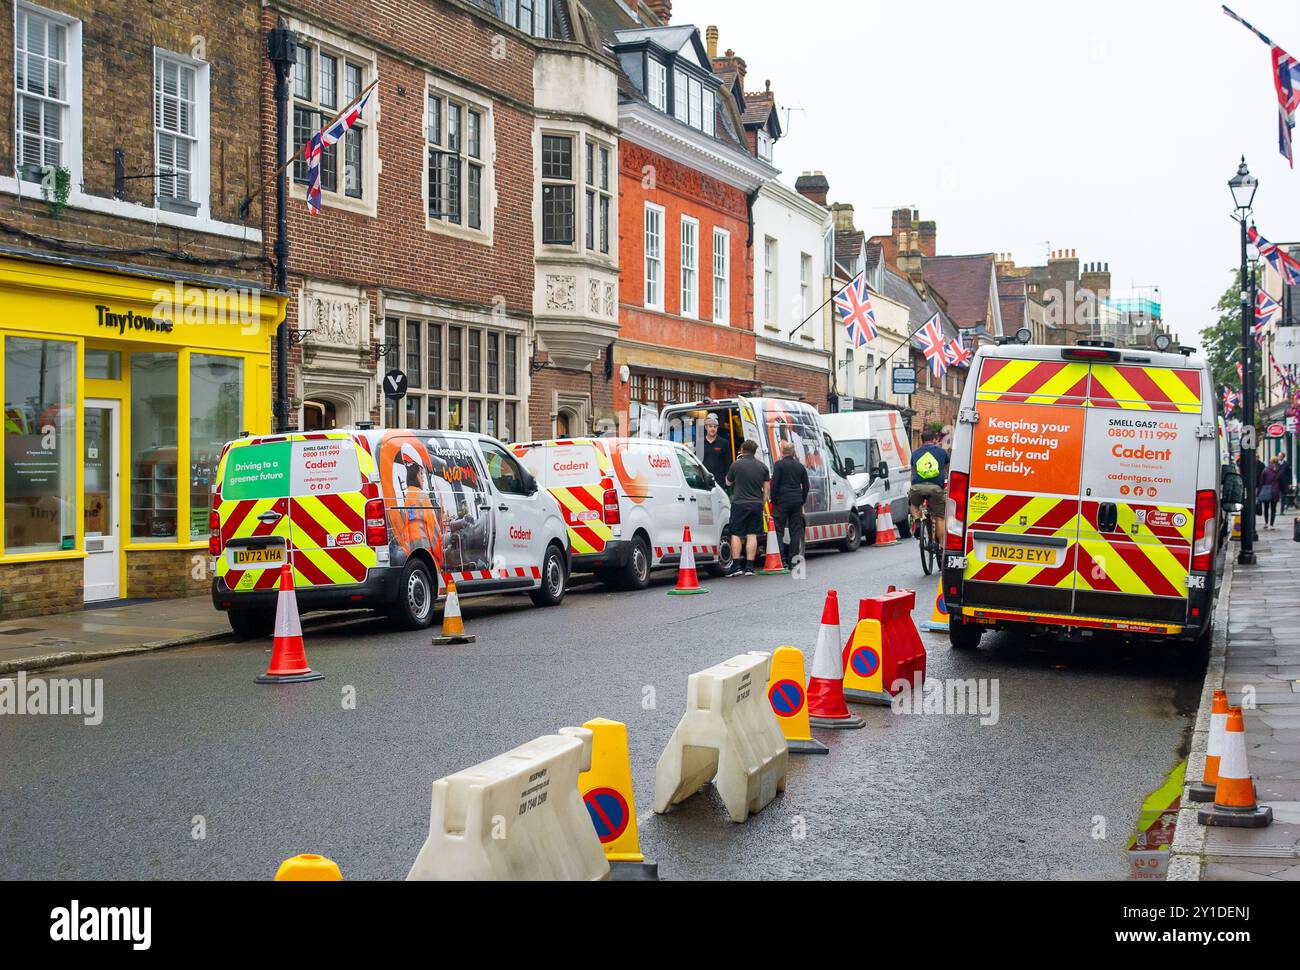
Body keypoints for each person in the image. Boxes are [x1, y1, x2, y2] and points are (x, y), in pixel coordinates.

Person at [725, 439, 770, 576]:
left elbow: (728, 482)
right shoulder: (762, 467)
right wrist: (762, 502)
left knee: (736, 534)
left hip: (739, 504)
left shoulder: (736, 465)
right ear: (755, 451)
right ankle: (750, 567)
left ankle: (737, 566)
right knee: (752, 534)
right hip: (756, 504)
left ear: (742, 450)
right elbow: (767, 488)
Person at [770, 441, 810, 567]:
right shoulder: (800, 467)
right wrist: (801, 499)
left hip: (781, 501)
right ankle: (792, 559)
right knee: (795, 531)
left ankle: (781, 559)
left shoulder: (779, 465)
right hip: (796, 502)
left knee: (778, 531)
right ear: (793, 453)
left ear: (782, 452)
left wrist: (774, 500)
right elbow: (806, 486)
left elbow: (774, 484)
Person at [908, 429, 949, 545]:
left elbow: (912, 473)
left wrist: (913, 487)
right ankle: (940, 546)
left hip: (917, 488)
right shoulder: (942, 452)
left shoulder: (915, 453)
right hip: (936, 489)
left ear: (922, 440)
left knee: (914, 505)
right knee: (940, 517)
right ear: (934, 439)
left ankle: (917, 520)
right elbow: (948, 470)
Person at [700, 414, 732, 486]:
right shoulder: (699, 443)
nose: (712, 429)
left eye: (715, 426)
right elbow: (697, 463)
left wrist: (727, 479)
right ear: (706, 427)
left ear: (717, 427)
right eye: (710, 426)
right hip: (703, 482)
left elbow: (728, 463)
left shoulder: (724, 443)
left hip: (720, 483)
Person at [1259, 455, 1283, 529]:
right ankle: (1271, 525)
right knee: (1273, 509)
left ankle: (1266, 523)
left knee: (1266, 508)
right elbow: (1281, 482)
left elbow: (1261, 482)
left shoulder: (1266, 470)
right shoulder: (1279, 470)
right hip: (1275, 491)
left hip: (1266, 490)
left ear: (1270, 461)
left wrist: (1259, 491)